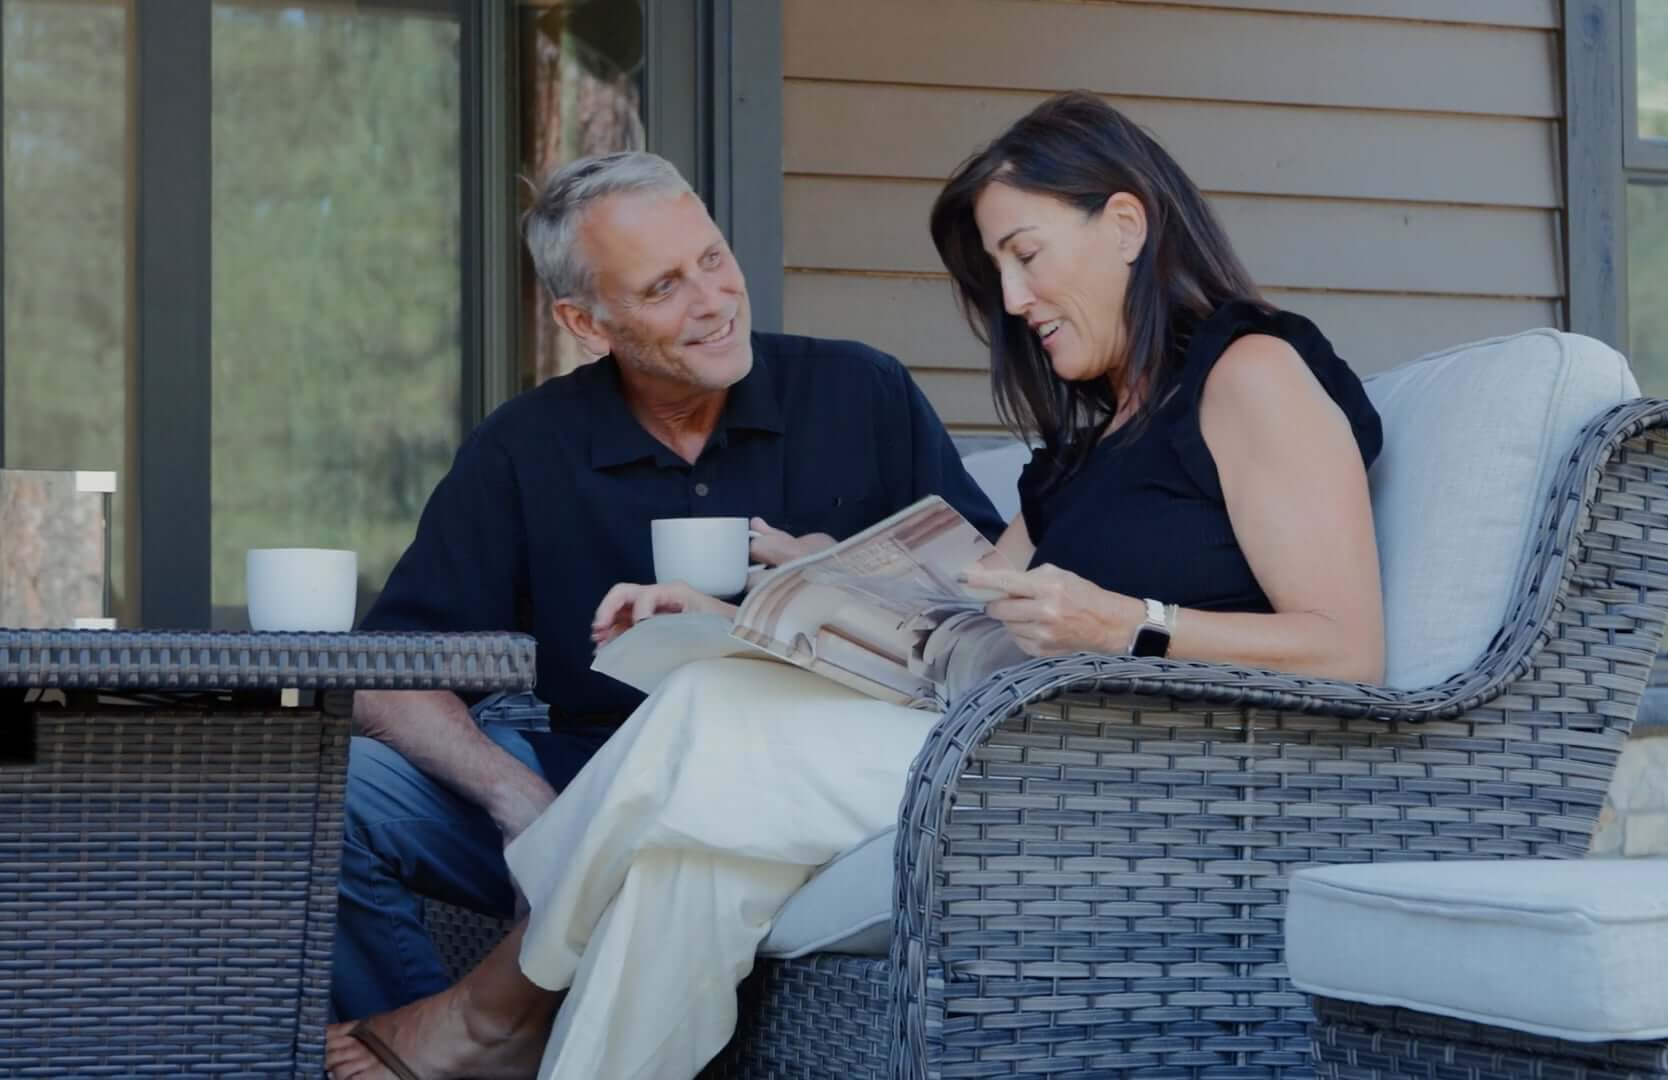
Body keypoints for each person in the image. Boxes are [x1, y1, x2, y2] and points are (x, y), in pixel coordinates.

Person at [326, 90, 1386, 1080]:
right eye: (999, 272)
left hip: (1090, 763)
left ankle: (494, 1008)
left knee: (711, 705)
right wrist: (779, 597)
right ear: (587, 324)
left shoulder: (1252, 372)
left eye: (1023, 258)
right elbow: (963, 610)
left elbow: (1350, 650)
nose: (1013, 303)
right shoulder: (1099, 432)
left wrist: (1131, 625)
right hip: (984, 720)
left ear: (1124, 221)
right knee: (683, 872)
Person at [332, 150, 1005, 1023]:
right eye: (663, 289)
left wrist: (828, 570)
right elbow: (391, 671)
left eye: (714, 259)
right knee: (331, 799)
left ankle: (483, 1030)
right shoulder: (526, 446)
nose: (715, 302)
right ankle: (422, 1042)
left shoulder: (859, 392)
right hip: (582, 776)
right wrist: (522, 803)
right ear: (587, 321)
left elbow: (991, 606)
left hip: (796, 787)